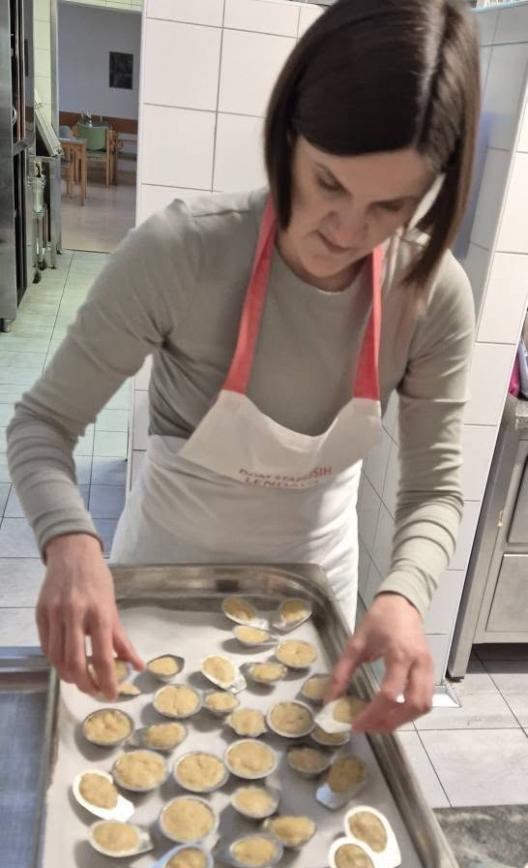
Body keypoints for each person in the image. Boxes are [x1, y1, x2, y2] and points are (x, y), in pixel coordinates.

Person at [7, 0, 479, 733]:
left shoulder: (431, 296)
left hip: (311, 604)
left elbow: (435, 492)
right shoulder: (181, 253)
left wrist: (404, 597)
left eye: (390, 207)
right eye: (328, 184)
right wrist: (69, 540)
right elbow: (41, 424)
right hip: (161, 590)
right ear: (287, 134)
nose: (348, 231)